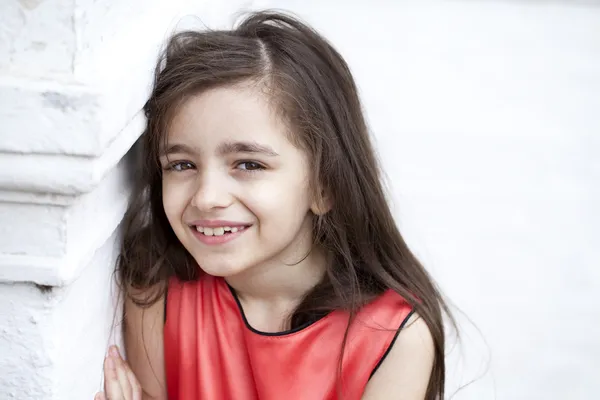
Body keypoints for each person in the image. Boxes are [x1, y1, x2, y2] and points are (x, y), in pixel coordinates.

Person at [95, 10, 455, 400]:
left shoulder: (394, 336)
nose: (207, 197)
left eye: (249, 164)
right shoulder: (156, 284)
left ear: (324, 185)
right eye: (182, 164)